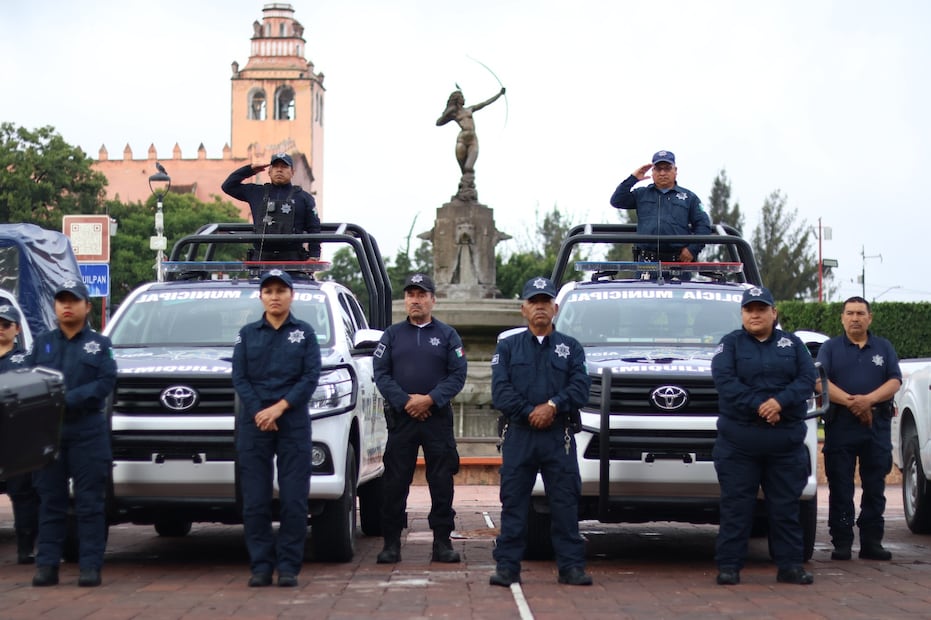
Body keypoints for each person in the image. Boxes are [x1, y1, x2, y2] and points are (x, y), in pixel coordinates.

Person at [490, 276, 593, 587]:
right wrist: (529, 412)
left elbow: (581, 388)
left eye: (545, 302)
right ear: (523, 309)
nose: (540, 307)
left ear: (555, 308)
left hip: (558, 436)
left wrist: (553, 406)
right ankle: (507, 567)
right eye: (533, 302)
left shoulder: (571, 348)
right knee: (514, 503)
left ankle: (571, 567)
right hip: (519, 435)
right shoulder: (507, 347)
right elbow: (500, 392)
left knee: (565, 503)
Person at [711, 286, 817, 586]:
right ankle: (729, 567)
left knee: (785, 508)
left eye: (761, 309)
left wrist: (779, 402)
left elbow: (807, 378)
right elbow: (725, 382)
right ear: (742, 314)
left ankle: (790, 567)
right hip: (739, 444)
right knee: (736, 508)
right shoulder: (729, 344)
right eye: (749, 310)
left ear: (774, 313)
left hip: (784, 443)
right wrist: (761, 405)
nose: (755, 315)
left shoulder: (793, 344)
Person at [231, 270, 321, 587]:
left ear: (291, 295)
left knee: (294, 499)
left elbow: (310, 377)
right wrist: (260, 410)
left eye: (281, 290)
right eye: (268, 291)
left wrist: (279, 408)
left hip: (292, 422)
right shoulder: (247, 334)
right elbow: (239, 377)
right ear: (260, 297)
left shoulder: (305, 334)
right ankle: (260, 567)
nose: (274, 296)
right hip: (255, 423)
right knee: (255, 500)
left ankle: (288, 567)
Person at [26, 281, 116, 588]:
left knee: (90, 503)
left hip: (87, 429)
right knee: (50, 501)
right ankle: (47, 566)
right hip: (48, 432)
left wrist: (66, 398)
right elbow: (28, 380)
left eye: (74, 300)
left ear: (87, 307)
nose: (67, 306)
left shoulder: (100, 345)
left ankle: (90, 567)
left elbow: (105, 382)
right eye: (61, 300)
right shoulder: (42, 344)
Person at [373, 273, 467, 564]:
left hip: (437, 418)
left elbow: (457, 375)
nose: (415, 300)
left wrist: (430, 399)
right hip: (402, 419)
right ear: (405, 300)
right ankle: (391, 544)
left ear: (433, 300)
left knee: (441, 481)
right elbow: (381, 374)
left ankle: (442, 542)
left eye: (422, 295)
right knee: (394, 482)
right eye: (411, 294)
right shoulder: (392, 335)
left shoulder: (448, 335)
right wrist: (406, 401)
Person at [816, 296, 902, 561]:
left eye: (860, 313)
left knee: (875, 486)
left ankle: (871, 542)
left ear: (869, 318)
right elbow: (819, 382)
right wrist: (853, 403)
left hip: (876, 426)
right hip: (841, 425)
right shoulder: (830, 348)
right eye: (850, 313)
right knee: (841, 487)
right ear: (842, 318)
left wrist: (869, 401)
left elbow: (895, 381)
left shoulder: (884, 347)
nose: (855, 318)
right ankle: (842, 542)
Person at [608, 150, 712, 261]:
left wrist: (692, 249)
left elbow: (703, 225)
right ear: (653, 171)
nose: (662, 173)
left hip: (679, 262)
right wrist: (633, 178)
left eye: (667, 168)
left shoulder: (689, 198)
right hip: (646, 262)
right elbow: (617, 200)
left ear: (675, 170)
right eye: (658, 169)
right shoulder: (641, 194)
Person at [221, 153, 321, 261]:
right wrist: (250, 169)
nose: (279, 170)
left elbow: (314, 228)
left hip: (293, 260)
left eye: (284, 167)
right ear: (269, 171)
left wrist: (314, 256)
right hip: (261, 259)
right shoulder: (256, 192)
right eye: (275, 167)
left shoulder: (304, 197)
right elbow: (228, 186)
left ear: (292, 172)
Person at [0, 303, 40, 565]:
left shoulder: (25, 360)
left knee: (22, 493)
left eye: (6, 324)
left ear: (16, 329)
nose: (1, 329)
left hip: (15, 437)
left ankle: (26, 548)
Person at [436, 87, 506, 202]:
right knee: (464, 170)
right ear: (457, 99)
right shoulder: (454, 113)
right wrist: (448, 111)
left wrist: (499, 94)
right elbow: (438, 122)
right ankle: (465, 191)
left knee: (469, 167)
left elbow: (485, 103)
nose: (464, 99)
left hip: (472, 139)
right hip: (462, 140)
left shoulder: (469, 109)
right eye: (462, 97)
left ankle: (467, 191)